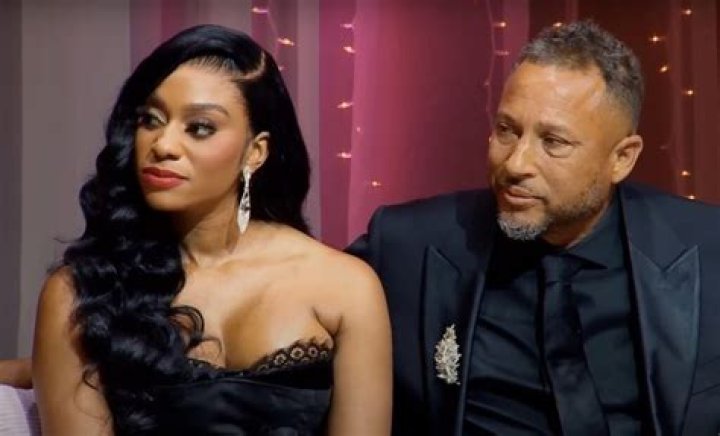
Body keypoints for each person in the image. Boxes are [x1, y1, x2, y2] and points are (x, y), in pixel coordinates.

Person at [348, 20, 720, 436]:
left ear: (622, 158)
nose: (516, 163)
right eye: (507, 130)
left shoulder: (708, 250)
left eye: (553, 142)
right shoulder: (408, 244)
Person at [32, 25, 391, 436]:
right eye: (150, 120)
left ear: (255, 152)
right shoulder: (78, 293)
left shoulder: (346, 286)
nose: (163, 145)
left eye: (199, 127)